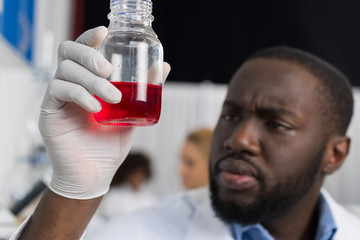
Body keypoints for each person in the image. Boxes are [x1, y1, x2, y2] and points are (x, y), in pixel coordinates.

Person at [12, 26, 360, 240]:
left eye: (276, 124)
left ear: (335, 154)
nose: (237, 139)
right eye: (230, 114)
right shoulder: (143, 233)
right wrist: (73, 191)